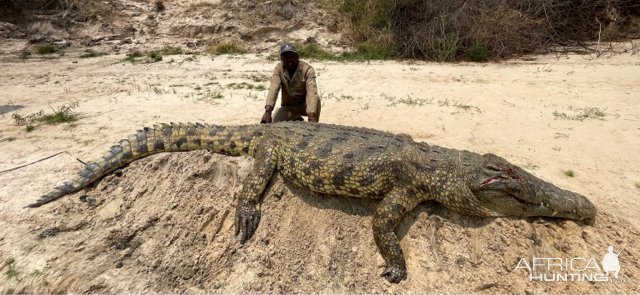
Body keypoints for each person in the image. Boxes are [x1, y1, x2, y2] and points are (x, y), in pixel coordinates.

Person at [260, 42, 321, 123]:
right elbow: (273, 89)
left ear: (297, 57)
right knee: (275, 124)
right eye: (285, 57)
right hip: (289, 107)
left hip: (305, 105)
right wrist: (268, 111)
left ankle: (314, 123)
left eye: (292, 56)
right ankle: (297, 120)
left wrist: (311, 116)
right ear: (281, 59)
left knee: (316, 99)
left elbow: (312, 92)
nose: (289, 60)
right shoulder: (279, 69)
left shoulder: (307, 69)